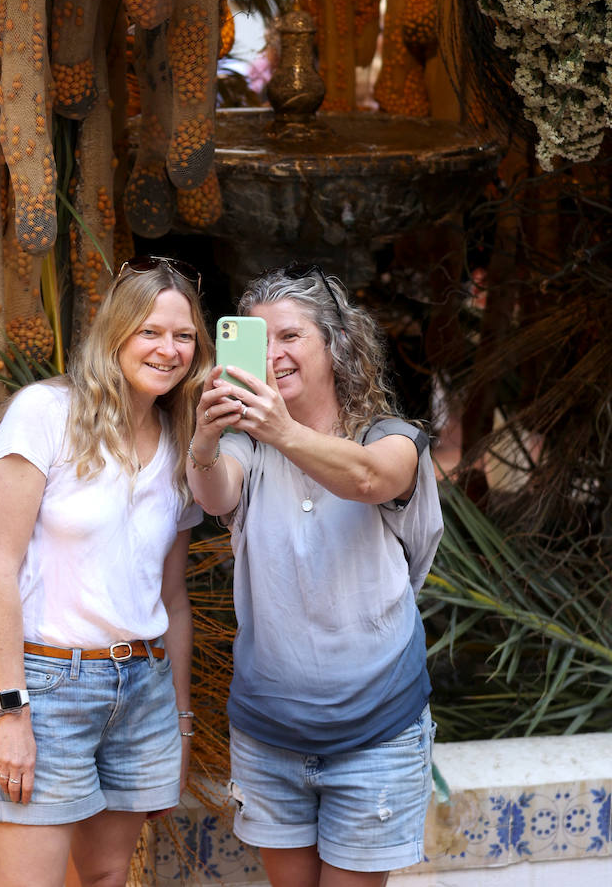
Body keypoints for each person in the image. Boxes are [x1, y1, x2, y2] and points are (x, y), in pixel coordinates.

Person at [186, 265, 443, 887]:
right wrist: (203, 440)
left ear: (336, 345)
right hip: (269, 732)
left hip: (377, 731)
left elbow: (367, 478)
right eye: (256, 337)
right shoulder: (249, 446)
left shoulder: (392, 438)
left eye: (290, 336)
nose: (272, 354)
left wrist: (281, 428)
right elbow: (217, 496)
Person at [0, 256, 213, 887]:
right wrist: (11, 714)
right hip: (48, 683)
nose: (169, 350)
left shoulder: (181, 441)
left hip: (143, 686)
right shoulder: (45, 414)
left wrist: (181, 719)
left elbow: (173, 595)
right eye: (151, 332)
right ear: (115, 333)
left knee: (109, 876)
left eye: (184, 336)